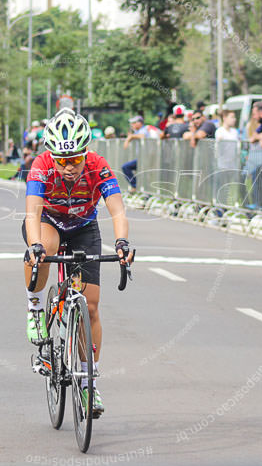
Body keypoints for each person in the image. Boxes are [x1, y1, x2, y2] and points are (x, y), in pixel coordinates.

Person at [23, 108, 134, 417]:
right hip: (48, 223)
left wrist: (122, 242)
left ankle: (89, 382)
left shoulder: (98, 165)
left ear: (86, 152)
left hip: (84, 227)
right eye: (62, 160)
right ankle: (33, 306)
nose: (69, 167)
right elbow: (32, 212)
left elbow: (117, 211)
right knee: (47, 246)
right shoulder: (40, 166)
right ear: (51, 156)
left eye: (75, 159)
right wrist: (34, 246)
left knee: (92, 305)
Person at [121, 115, 160, 192]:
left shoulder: (144, 129)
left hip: (147, 157)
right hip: (142, 158)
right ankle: (136, 186)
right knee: (126, 167)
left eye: (134, 123)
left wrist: (131, 137)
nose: (132, 125)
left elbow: (143, 135)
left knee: (146, 176)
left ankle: (144, 191)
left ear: (140, 123)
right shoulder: (137, 131)